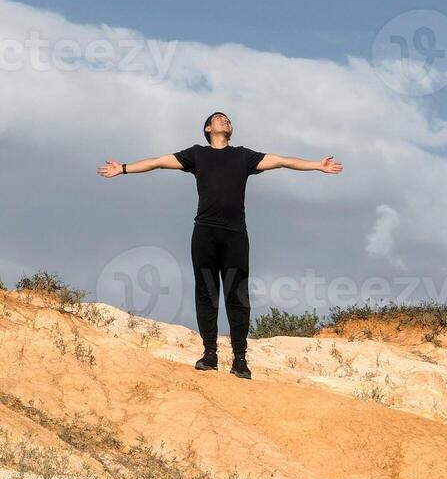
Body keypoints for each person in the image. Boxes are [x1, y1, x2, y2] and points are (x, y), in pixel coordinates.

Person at [97, 110, 343, 379]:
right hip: (204, 233)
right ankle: (209, 353)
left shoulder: (243, 156)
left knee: (237, 295)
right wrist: (122, 168)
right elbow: (158, 162)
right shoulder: (197, 155)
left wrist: (317, 165)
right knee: (206, 293)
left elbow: (282, 161)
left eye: (228, 119)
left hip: (236, 235)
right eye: (219, 118)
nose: (226, 121)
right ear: (207, 128)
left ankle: (240, 359)